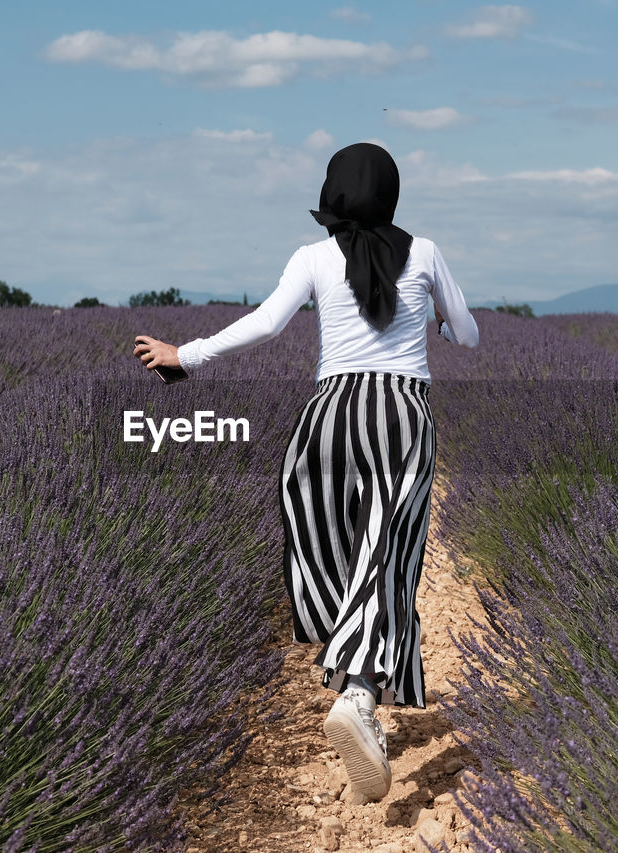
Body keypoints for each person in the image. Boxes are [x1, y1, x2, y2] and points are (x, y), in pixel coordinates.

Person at [133, 142, 479, 801]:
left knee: (334, 546)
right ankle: (358, 694)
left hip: (326, 417)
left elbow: (266, 323)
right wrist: (440, 316)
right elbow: (468, 334)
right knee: (385, 553)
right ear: (391, 193)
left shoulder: (313, 257)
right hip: (399, 413)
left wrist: (185, 355)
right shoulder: (426, 253)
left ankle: (350, 668)